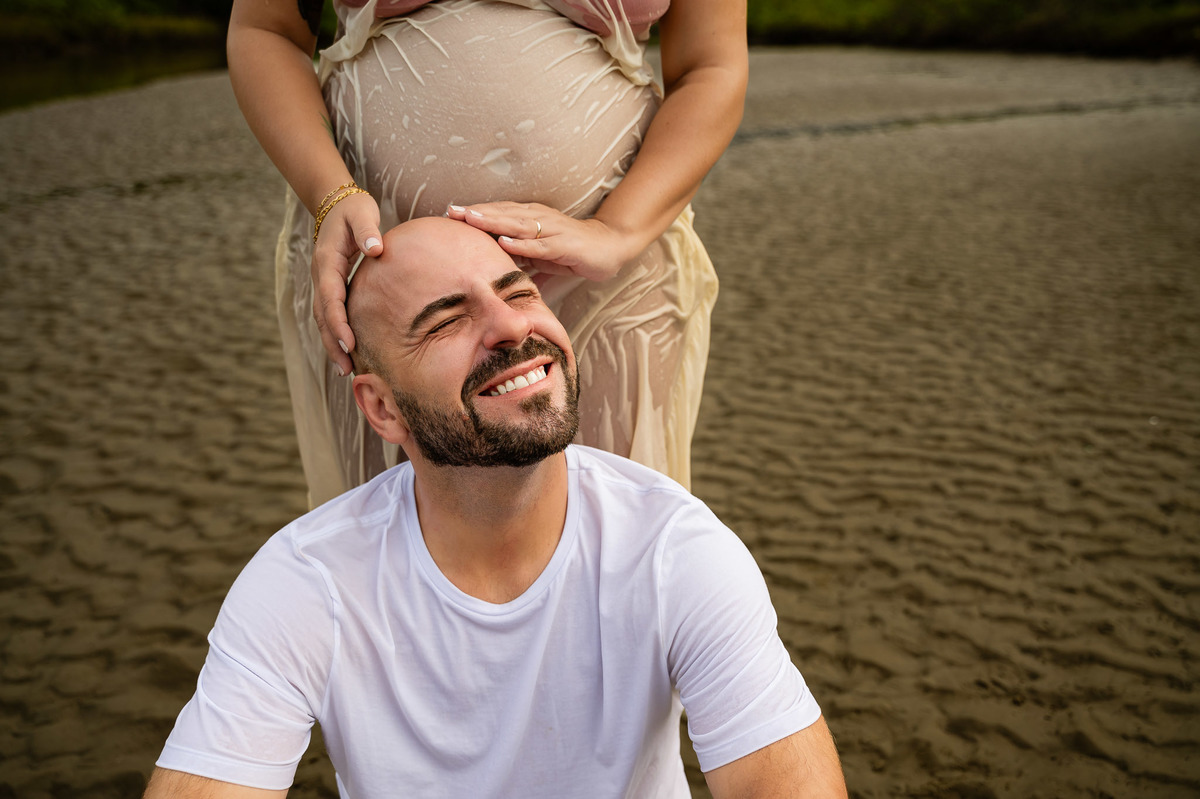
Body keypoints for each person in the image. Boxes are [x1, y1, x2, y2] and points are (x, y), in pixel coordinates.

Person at [144, 218, 847, 798]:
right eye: (448, 320)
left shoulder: (673, 548)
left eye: (519, 293)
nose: (511, 328)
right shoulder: (306, 582)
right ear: (382, 407)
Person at [226, 0, 747, 504]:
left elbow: (711, 65)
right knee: (391, 549)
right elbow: (267, 32)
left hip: (608, 283)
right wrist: (329, 194)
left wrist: (618, 230)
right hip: (384, 278)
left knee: (614, 537)